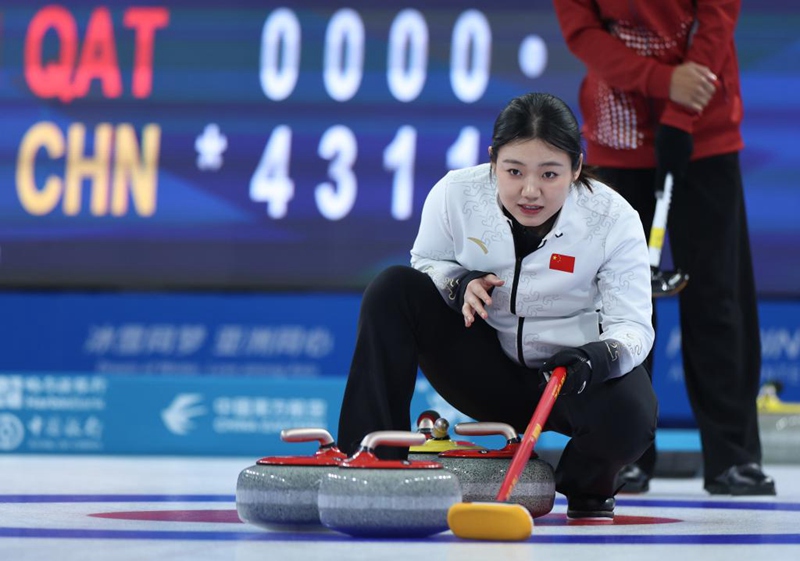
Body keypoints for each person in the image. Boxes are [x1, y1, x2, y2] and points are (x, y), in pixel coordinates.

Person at [337, 91, 658, 520]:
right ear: (492, 162)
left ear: (576, 167)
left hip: (568, 380)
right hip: (483, 369)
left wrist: (594, 359)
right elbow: (426, 263)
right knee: (392, 288)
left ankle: (584, 486)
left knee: (633, 415)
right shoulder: (455, 194)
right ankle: (374, 461)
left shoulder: (613, 219)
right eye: (513, 171)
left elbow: (633, 327)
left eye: (550, 174)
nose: (530, 191)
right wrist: (458, 283)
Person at [553, 0, 775, 495]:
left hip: (704, 130)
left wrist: (680, 109)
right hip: (619, 136)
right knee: (615, 303)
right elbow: (582, 33)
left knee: (719, 296)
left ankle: (733, 458)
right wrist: (661, 82)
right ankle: (619, 450)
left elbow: (718, 18)